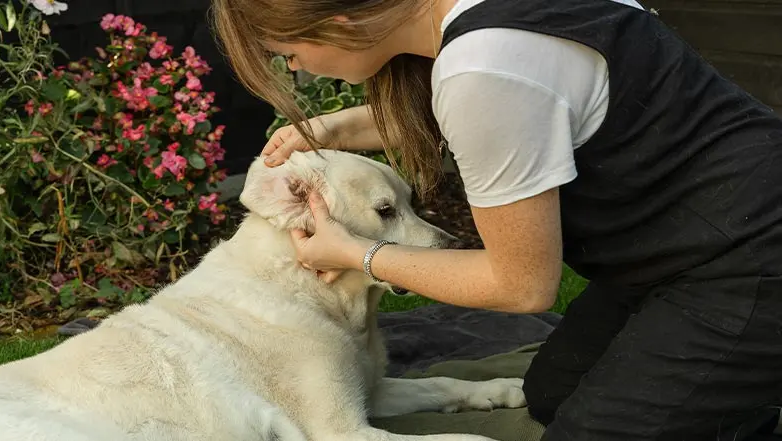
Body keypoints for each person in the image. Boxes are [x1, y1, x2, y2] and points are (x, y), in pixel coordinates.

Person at [211, 0, 782, 439]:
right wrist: (342, 128)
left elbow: (522, 286)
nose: (293, 65)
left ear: (339, 22)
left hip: (750, 258)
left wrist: (357, 253)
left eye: (287, 51)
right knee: (552, 394)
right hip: (680, 240)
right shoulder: (478, 22)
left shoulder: (483, 70)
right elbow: (527, 104)